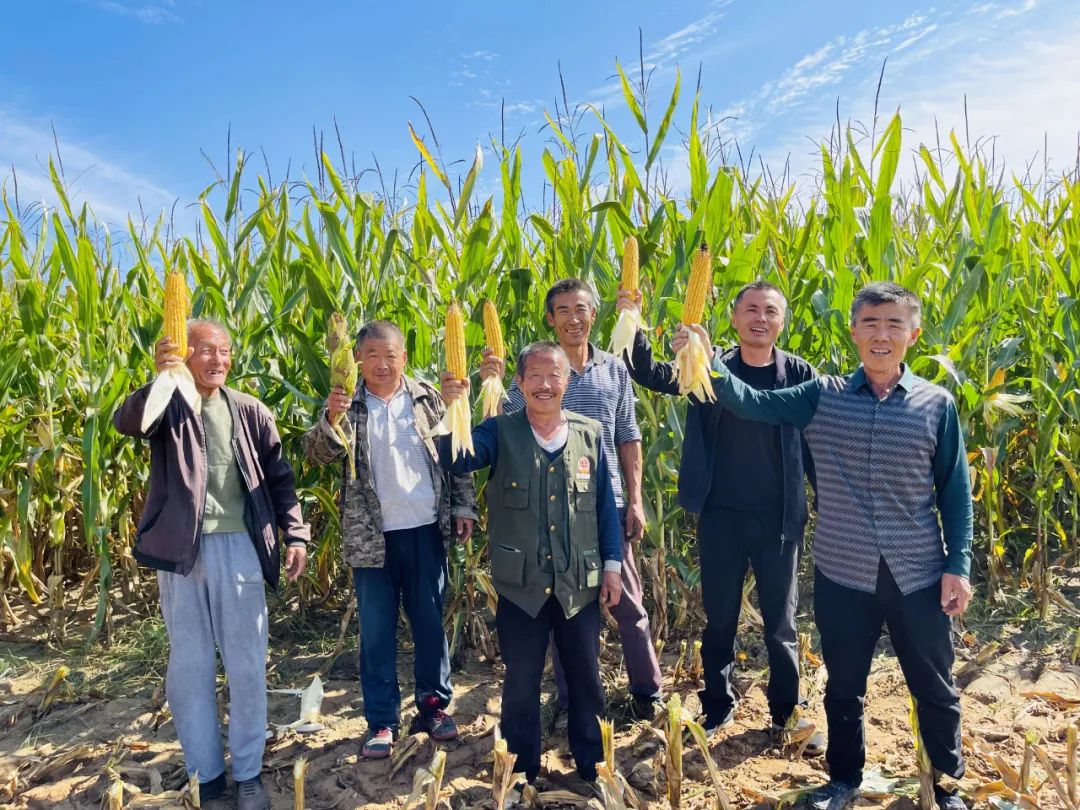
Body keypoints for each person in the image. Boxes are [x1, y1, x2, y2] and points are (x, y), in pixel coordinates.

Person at [693, 282, 972, 810]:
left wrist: (958, 565)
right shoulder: (821, 396)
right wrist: (705, 361)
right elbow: (751, 402)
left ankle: (949, 787)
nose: (881, 336)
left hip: (918, 571)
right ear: (853, 332)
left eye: (893, 325)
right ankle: (844, 779)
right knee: (844, 688)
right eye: (870, 324)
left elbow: (955, 493)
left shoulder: (937, 405)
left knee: (935, 687)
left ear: (913, 334)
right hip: (844, 571)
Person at [618, 281, 823, 753]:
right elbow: (648, 373)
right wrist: (632, 319)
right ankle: (716, 705)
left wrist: (824, 502)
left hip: (778, 519)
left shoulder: (798, 372)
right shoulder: (705, 364)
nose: (760, 318)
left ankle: (785, 712)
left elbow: (814, 442)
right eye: (750, 309)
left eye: (770, 310)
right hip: (721, 516)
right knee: (721, 620)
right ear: (732, 319)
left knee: (781, 623)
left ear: (781, 321)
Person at [114, 319, 309, 810]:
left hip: (239, 547)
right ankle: (208, 774)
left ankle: (247, 773)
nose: (217, 360)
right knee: (190, 666)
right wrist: (159, 376)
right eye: (205, 350)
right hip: (182, 553)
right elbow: (128, 421)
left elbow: (279, 479)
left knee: (246, 666)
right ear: (185, 353)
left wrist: (296, 533)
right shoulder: (169, 403)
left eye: (224, 351)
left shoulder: (250, 411)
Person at [438, 341, 623, 786]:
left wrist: (613, 565)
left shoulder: (589, 433)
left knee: (585, 679)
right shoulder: (499, 431)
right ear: (518, 383)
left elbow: (603, 509)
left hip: (579, 583)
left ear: (567, 381)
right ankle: (521, 768)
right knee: (520, 683)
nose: (544, 385)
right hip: (521, 586)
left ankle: (593, 766)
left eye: (553, 375)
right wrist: (453, 409)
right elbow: (457, 456)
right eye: (534, 376)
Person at [479, 279, 663, 722]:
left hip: (606, 503)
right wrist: (491, 386)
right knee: (563, 599)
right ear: (550, 318)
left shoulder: (615, 369)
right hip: (549, 508)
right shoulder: (539, 370)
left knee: (629, 602)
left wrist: (635, 500)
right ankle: (569, 702)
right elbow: (501, 431)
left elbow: (628, 436)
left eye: (581, 308)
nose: (573, 318)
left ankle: (647, 690)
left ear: (594, 315)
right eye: (562, 310)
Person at [302, 320, 478, 759]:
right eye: (372, 355)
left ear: (404, 356)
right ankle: (381, 721)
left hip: (424, 530)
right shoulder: (348, 404)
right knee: (376, 633)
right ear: (357, 358)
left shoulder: (427, 399)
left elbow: (457, 452)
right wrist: (330, 419)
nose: (382, 364)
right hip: (371, 538)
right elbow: (314, 455)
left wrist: (463, 507)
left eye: (391, 355)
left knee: (429, 624)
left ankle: (434, 707)